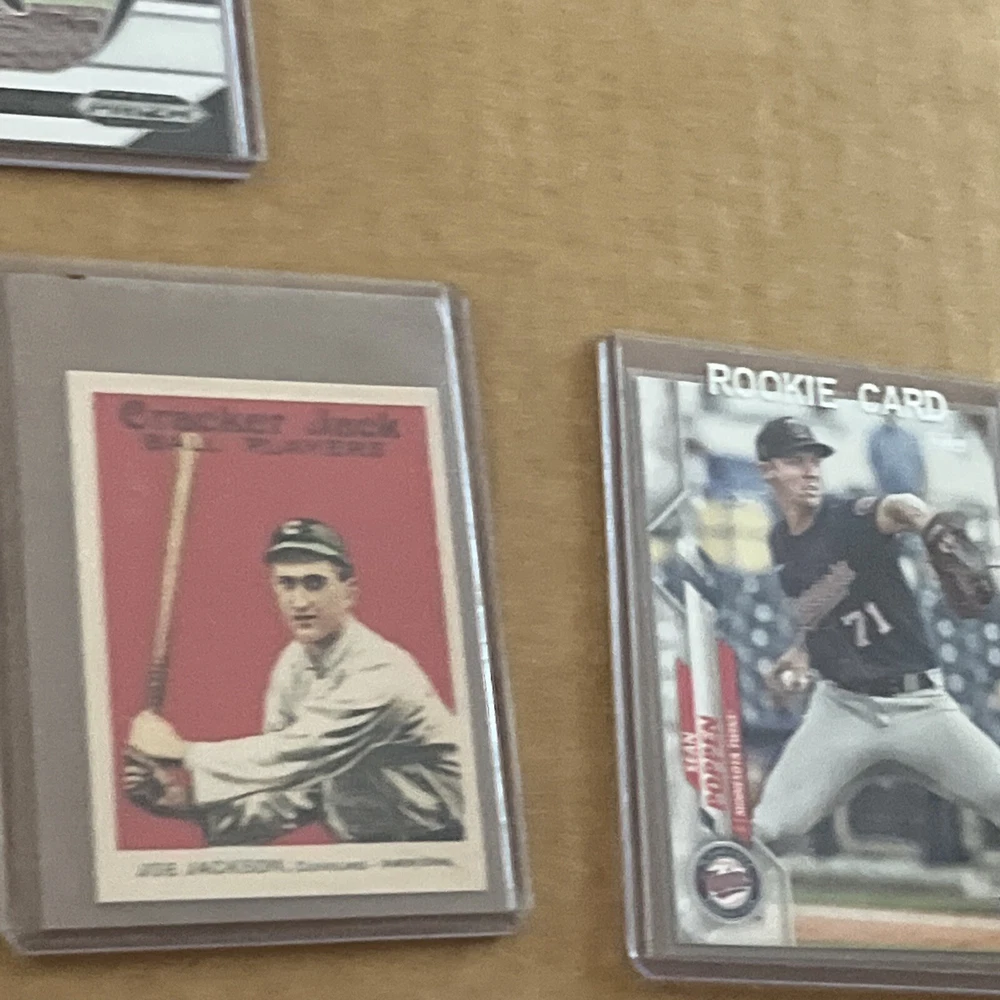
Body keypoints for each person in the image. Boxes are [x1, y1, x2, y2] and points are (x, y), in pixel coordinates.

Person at [124, 518, 465, 846]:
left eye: (314, 583)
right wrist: (184, 801)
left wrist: (184, 753)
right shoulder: (292, 667)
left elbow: (297, 752)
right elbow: (291, 789)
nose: (299, 602)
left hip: (447, 843)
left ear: (349, 592)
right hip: (365, 851)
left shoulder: (381, 671)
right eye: (287, 584)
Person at [751, 416, 1000, 848]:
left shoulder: (845, 516)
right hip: (842, 709)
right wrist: (798, 658)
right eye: (795, 462)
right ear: (768, 470)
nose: (810, 471)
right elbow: (817, 617)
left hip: (918, 705)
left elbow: (898, 507)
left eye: (814, 461)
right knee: (770, 827)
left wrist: (930, 526)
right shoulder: (781, 542)